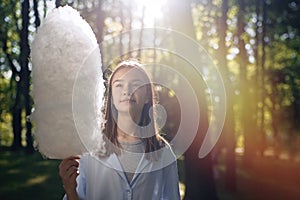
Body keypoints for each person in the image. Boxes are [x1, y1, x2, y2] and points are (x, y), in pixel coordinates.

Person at [59, 59, 180, 200]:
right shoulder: (90, 149)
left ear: (147, 96)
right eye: (119, 85)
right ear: (112, 97)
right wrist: (69, 189)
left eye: (135, 85)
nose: (127, 91)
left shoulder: (163, 152)